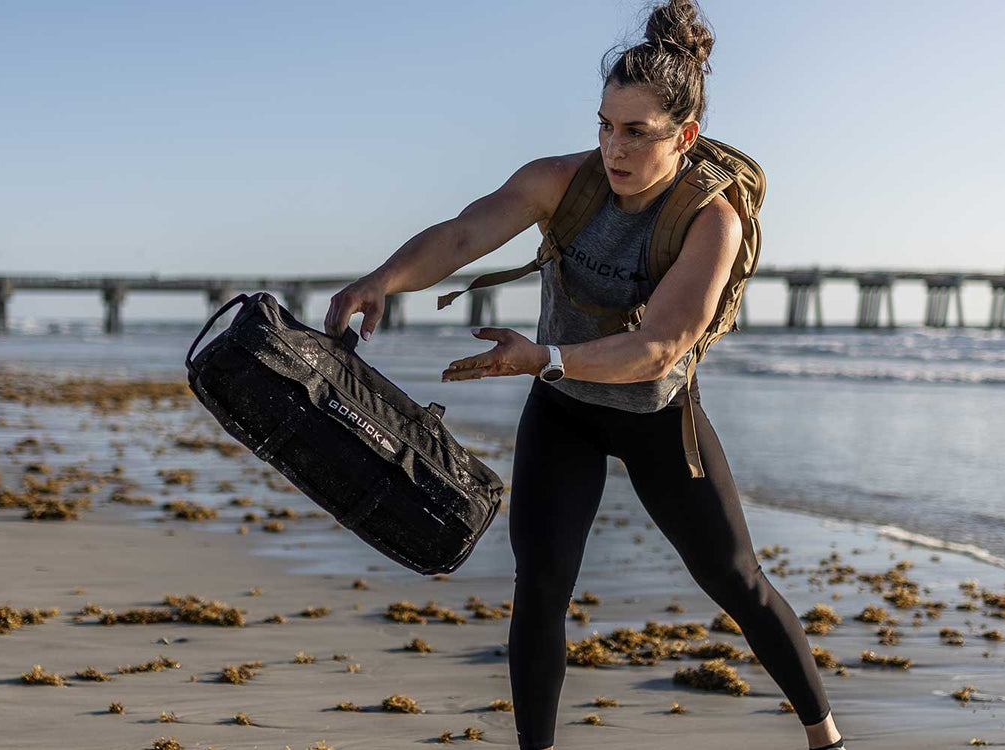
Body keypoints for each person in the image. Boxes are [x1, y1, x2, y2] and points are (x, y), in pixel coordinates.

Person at [323, 2, 843, 748]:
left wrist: (544, 358)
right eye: (604, 124)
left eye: (636, 132)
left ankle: (826, 738)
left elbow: (662, 346)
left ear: (684, 137)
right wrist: (382, 279)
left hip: (656, 416)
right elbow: (464, 232)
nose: (613, 147)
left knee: (736, 579)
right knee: (539, 584)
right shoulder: (561, 182)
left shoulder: (710, 219)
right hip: (564, 410)